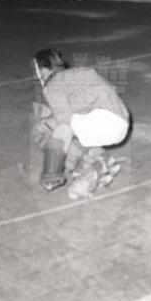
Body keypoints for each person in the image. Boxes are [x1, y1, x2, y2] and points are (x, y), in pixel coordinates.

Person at [31, 49, 130, 200]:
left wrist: (44, 124)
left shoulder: (52, 85)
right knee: (69, 126)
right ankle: (98, 158)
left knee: (52, 129)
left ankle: (52, 176)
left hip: (106, 122)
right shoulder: (76, 75)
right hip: (121, 124)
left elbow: (64, 124)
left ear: (44, 70)